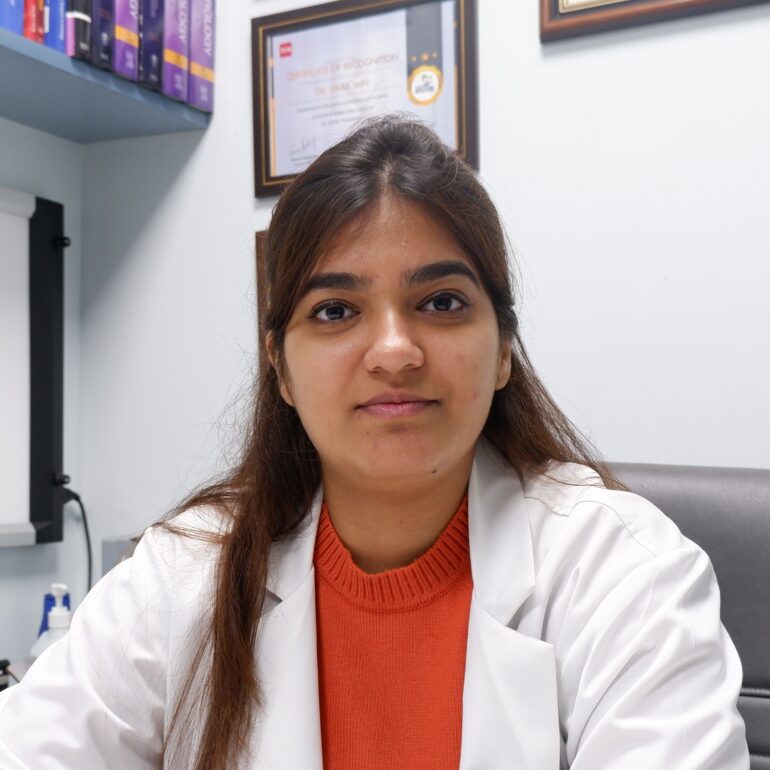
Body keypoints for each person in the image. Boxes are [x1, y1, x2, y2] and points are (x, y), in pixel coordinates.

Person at [0, 116, 749, 770]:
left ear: (503, 351)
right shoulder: (184, 573)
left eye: (442, 302)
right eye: (334, 311)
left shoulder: (624, 574)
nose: (393, 350)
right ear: (280, 368)